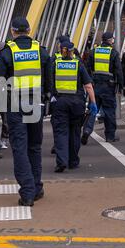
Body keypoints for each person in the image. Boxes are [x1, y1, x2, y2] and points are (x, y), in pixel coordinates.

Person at [0, 17, 51, 207]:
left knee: (19, 148)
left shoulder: (7, 52)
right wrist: (47, 98)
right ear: (28, 29)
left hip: (15, 106)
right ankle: (37, 188)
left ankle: (27, 192)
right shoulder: (40, 50)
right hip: (36, 104)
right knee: (34, 147)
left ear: (13, 31)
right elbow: (50, 77)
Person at [51, 41, 97, 173]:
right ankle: (73, 161)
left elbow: (50, 82)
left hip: (60, 102)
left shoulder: (55, 64)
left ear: (61, 50)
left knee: (61, 132)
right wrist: (93, 102)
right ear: (72, 51)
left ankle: (61, 161)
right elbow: (88, 85)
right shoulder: (78, 65)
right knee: (75, 131)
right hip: (77, 103)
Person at [83, 32, 124, 144]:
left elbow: (87, 68)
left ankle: (87, 130)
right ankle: (110, 136)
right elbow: (118, 71)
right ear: (110, 40)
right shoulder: (113, 53)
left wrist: (90, 81)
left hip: (95, 85)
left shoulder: (93, 52)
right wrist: (121, 85)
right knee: (109, 111)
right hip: (108, 87)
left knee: (93, 109)